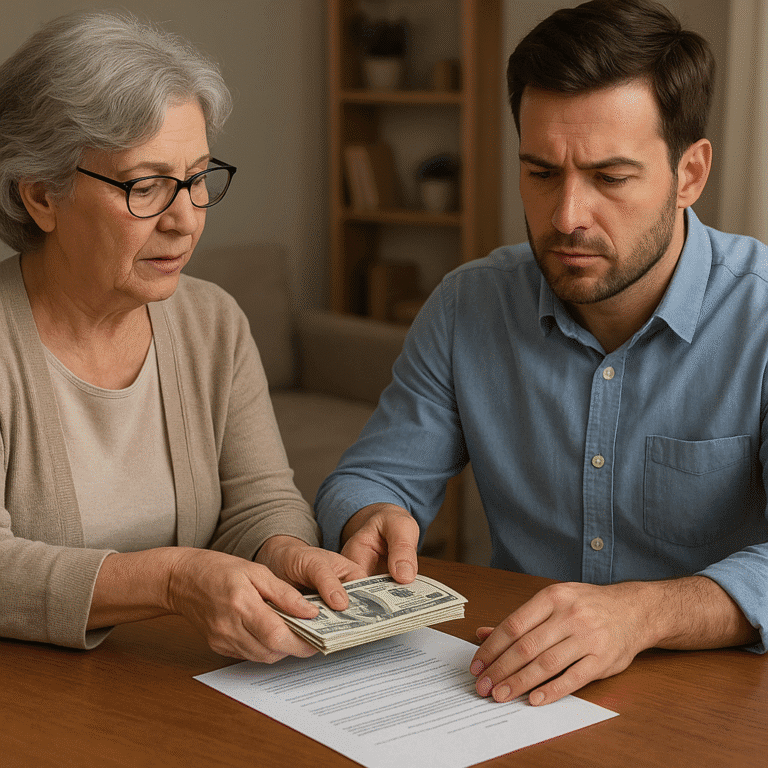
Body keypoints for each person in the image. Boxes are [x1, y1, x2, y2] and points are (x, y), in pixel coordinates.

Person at [316, 0, 768, 706]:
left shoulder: (762, 318)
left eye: (610, 178)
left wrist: (642, 615)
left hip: (714, 700)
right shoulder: (468, 305)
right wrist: (371, 514)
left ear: (690, 173)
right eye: (541, 172)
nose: (566, 218)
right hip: (511, 695)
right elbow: (373, 477)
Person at [0, 10, 366, 660]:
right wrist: (172, 578)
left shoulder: (213, 322)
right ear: (41, 197)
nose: (185, 220)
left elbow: (259, 500)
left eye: (197, 178)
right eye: (147, 186)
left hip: (175, 685)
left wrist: (287, 551)